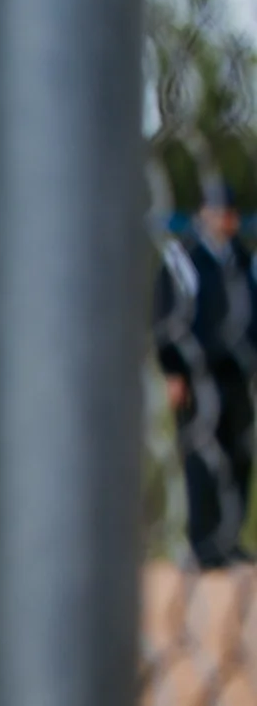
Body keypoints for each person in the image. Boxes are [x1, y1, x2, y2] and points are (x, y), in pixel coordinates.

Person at [155, 178, 255, 568]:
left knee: (237, 454)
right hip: (198, 372)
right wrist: (173, 370)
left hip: (237, 372)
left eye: (228, 213)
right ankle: (203, 542)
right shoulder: (184, 258)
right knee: (201, 454)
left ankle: (229, 539)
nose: (223, 219)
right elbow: (166, 315)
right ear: (202, 215)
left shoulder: (243, 260)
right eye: (216, 211)